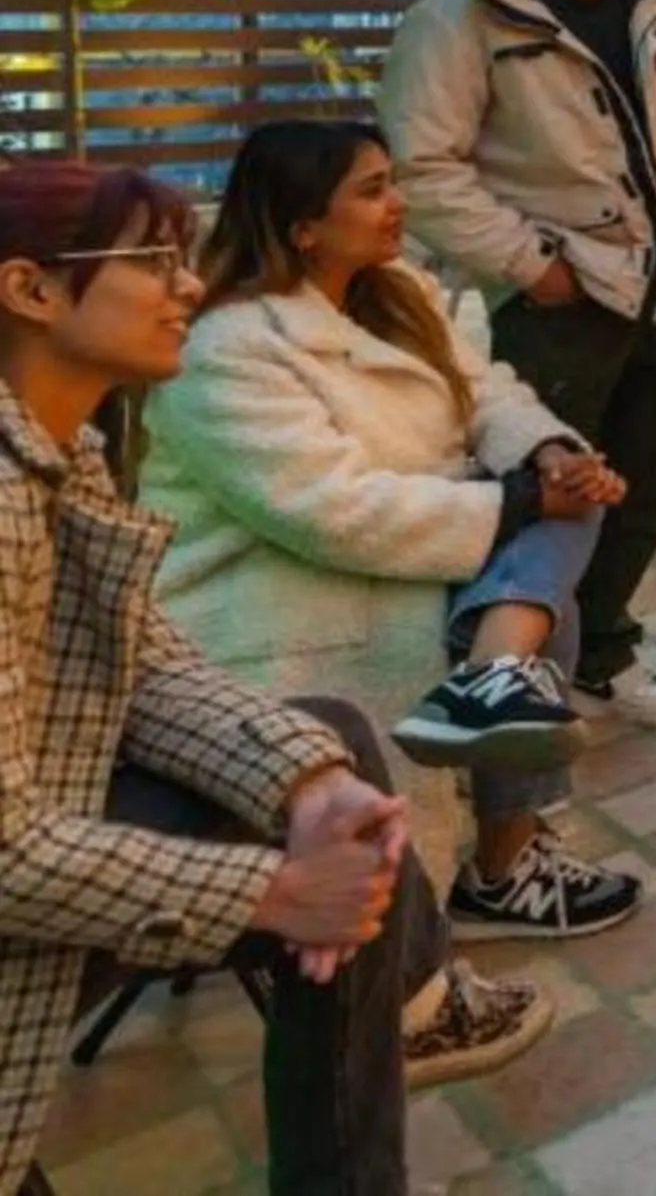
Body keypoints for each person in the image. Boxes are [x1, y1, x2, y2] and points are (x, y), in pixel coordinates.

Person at [0, 162, 552, 1196]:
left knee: (332, 758)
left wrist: (313, 784)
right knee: (341, 855)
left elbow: (142, 661)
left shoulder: (57, 450)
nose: (186, 286)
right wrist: (279, 890)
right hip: (60, 811)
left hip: (85, 765)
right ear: (31, 291)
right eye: (153, 262)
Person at [142, 124, 646, 942]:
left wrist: (552, 456)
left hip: (400, 539)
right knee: (543, 594)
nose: (399, 204)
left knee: (573, 504)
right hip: (276, 591)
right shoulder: (227, 349)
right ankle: (500, 845)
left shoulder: (395, 293)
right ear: (304, 225)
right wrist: (518, 505)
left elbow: (484, 391)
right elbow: (329, 512)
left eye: (393, 182)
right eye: (372, 190)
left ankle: (494, 682)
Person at [379, 0, 656, 730]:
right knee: (553, 495)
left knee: (648, 485)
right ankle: (509, 666)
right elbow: (424, 166)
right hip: (558, 295)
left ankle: (600, 651)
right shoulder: (462, 15)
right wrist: (532, 265)